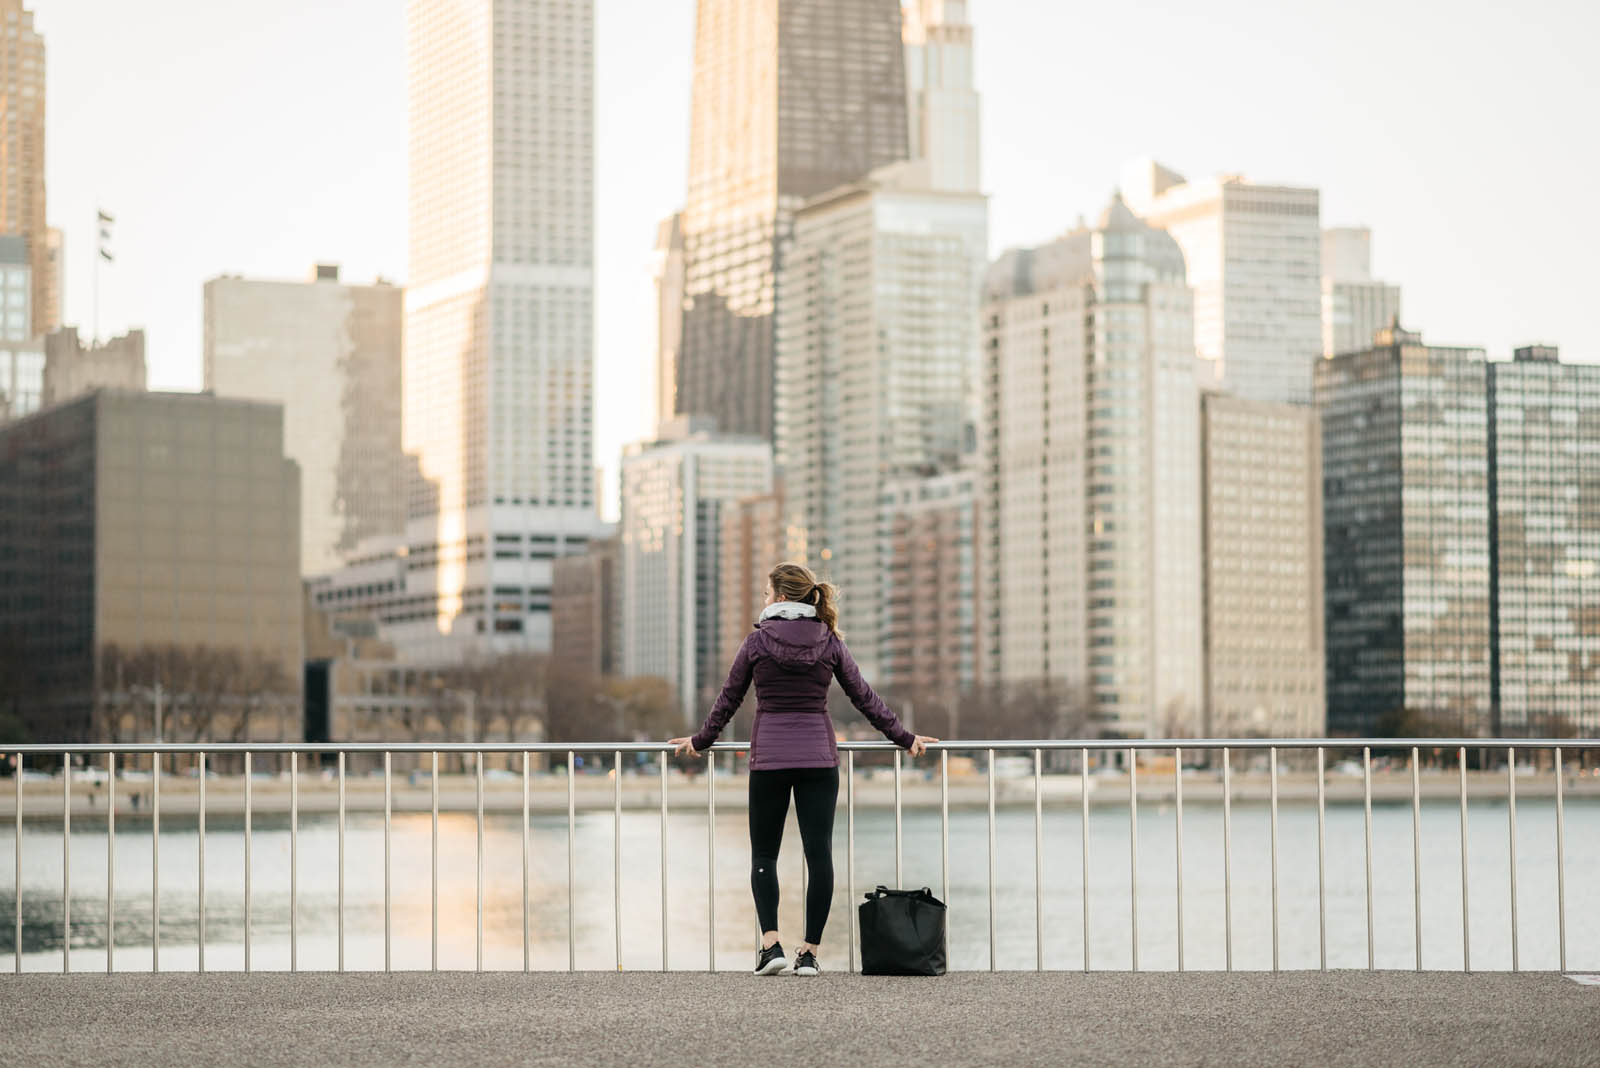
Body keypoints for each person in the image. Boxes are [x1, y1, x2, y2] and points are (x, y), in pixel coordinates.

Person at [670, 562, 937, 977]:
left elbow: (728, 700)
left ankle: (771, 945)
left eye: (765, 592)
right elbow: (864, 697)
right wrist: (904, 737)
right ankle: (810, 953)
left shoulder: (757, 642)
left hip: (770, 761)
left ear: (778, 597)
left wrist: (700, 741)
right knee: (819, 855)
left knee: (764, 854)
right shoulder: (828, 641)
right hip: (818, 760)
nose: (763, 598)